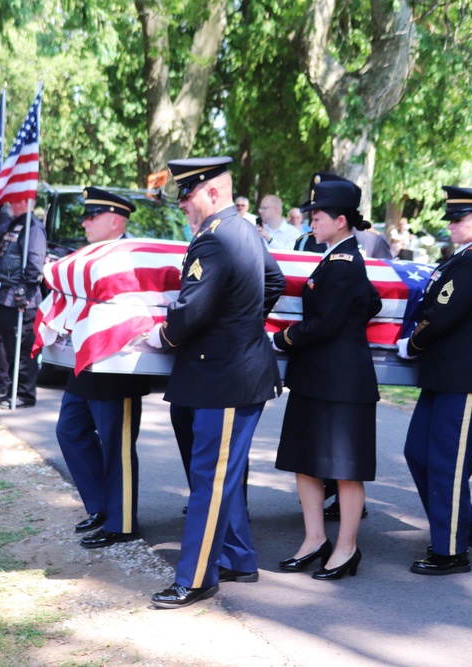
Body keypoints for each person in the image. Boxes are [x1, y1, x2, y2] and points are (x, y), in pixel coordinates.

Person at [145, 156, 285, 609]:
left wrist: (163, 335)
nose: (182, 205)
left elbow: (191, 311)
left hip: (224, 376)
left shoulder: (216, 239)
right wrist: (243, 323)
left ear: (212, 192)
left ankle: (197, 577)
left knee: (209, 478)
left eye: (186, 196)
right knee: (223, 474)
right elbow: (274, 279)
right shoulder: (244, 230)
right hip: (230, 369)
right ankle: (239, 557)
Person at [398, 187, 472, 575]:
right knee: (418, 452)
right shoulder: (466, 257)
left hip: (469, 377)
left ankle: (450, 552)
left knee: (447, 463)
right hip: (448, 373)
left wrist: (412, 343)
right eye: (450, 218)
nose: (450, 225)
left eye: (458, 218)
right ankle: (468, 525)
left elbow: (442, 313)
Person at [272, 178, 381, 581]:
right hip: (319, 378)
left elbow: (323, 324)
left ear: (340, 220)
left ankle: (347, 547)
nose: (310, 223)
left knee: (345, 469)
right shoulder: (338, 259)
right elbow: (372, 301)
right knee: (306, 462)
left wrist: (281, 338)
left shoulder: (345, 263)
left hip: (341, 383)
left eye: (316, 217)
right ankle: (315, 539)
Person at [55, 187, 151, 549]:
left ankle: (123, 522)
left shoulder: (130, 258)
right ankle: (101, 506)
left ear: (115, 221)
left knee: (117, 446)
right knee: (70, 430)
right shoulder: (86, 256)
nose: (84, 222)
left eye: (92, 216)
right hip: (85, 363)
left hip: (117, 368)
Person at [0, 197, 46, 409]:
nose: (13, 205)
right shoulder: (15, 223)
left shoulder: (33, 227)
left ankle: (25, 395)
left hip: (20, 299)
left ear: (28, 201)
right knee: (11, 349)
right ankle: (13, 391)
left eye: (17, 201)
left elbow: (35, 263)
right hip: (4, 296)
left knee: (23, 349)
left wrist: (24, 292)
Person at [293, 173, 391, 259]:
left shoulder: (373, 241)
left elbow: (385, 276)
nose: (312, 225)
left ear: (340, 221)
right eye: (313, 218)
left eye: (317, 219)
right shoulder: (304, 242)